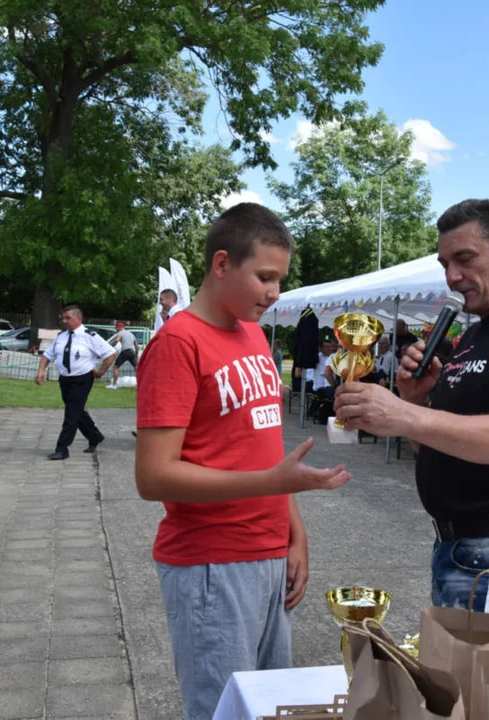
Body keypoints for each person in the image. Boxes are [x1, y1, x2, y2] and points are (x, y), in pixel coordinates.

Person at [133, 203, 350, 719]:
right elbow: (153, 476)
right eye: (266, 277)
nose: (275, 292)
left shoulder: (251, 332)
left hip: (268, 555)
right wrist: (270, 483)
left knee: (269, 708)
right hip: (212, 563)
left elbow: (264, 449)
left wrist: (294, 534)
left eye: (280, 279)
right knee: (223, 711)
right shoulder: (177, 343)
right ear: (222, 264)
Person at [333, 199, 489, 613]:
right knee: (460, 675)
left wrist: (406, 414)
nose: (452, 277)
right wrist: (416, 401)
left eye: (465, 259)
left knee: (481, 676)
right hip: (463, 548)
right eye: (445, 263)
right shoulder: (473, 335)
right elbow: (436, 447)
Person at [35, 304, 117, 460]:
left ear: (78, 319)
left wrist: (100, 371)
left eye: (68, 318)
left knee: (71, 414)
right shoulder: (61, 336)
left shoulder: (89, 336)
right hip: (65, 379)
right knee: (76, 411)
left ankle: (62, 448)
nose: (64, 321)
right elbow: (47, 355)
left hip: (82, 379)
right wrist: (40, 371)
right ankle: (95, 436)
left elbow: (111, 353)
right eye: (62, 318)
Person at [107, 321, 140, 389]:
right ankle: (139, 385)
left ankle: (114, 385)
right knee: (137, 368)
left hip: (125, 351)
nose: (116, 329)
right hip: (132, 352)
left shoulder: (120, 333)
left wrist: (111, 346)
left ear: (119, 328)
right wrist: (136, 355)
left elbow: (116, 340)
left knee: (116, 367)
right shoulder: (131, 334)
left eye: (116, 328)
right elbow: (137, 346)